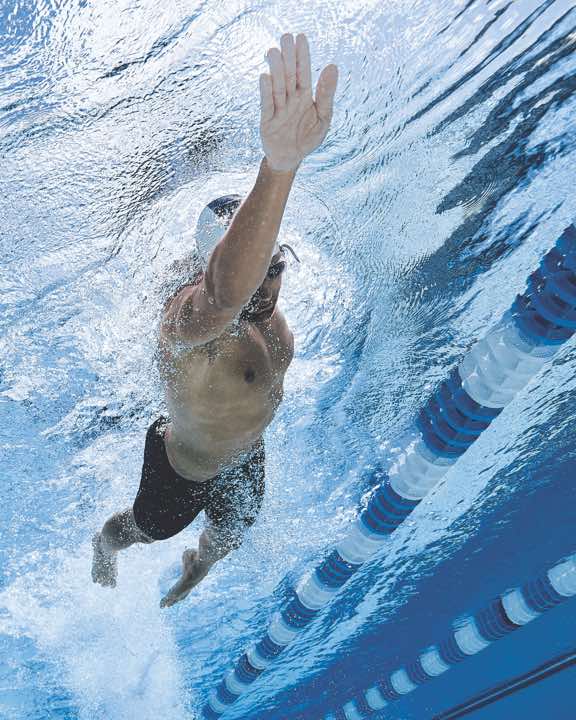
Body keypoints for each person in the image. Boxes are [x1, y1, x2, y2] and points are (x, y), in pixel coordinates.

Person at [91, 32, 338, 608]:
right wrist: (280, 167)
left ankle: (195, 569)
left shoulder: (271, 321)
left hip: (248, 451)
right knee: (145, 530)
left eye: (276, 264)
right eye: (259, 267)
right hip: (185, 466)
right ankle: (104, 546)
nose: (270, 280)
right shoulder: (191, 323)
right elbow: (224, 293)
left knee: (233, 533)